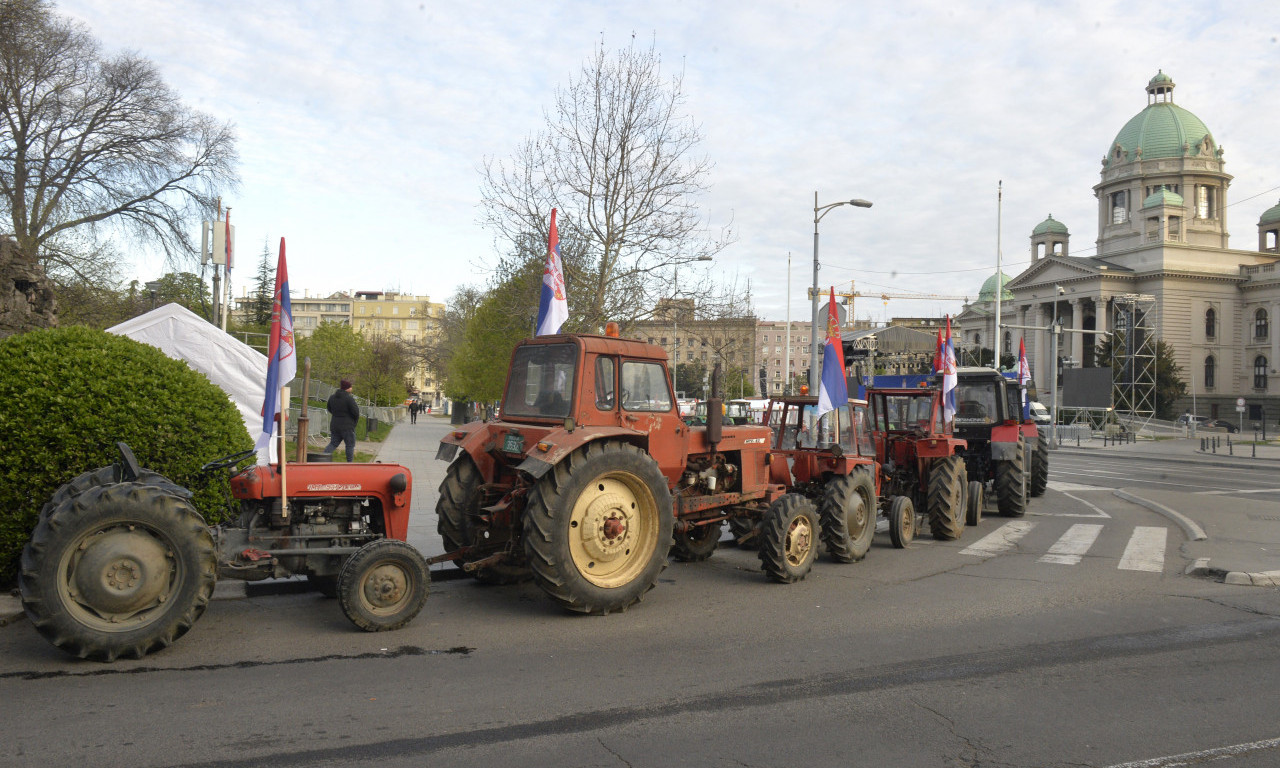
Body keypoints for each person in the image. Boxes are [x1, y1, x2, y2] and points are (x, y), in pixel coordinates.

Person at [323, 379, 360, 462]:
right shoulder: (349, 399)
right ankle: (349, 464)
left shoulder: (332, 397)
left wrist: (336, 415)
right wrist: (354, 422)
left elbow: (329, 408)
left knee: (333, 444)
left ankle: (322, 459)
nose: (351, 388)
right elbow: (356, 412)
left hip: (335, 425)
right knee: (350, 445)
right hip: (347, 427)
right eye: (350, 387)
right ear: (347, 388)